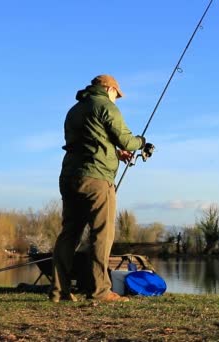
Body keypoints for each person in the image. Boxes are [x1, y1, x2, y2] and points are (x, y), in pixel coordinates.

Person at [50, 75, 147, 302]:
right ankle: (100, 291)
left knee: (69, 234)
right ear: (109, 89)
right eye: (117, 95)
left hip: (70, 177)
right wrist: (141, 142)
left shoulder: (74, 110)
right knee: (101, 234)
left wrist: (114, 152)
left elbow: (88, 142)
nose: (117, 99)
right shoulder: (106, 106)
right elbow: (126, 140)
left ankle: (58, 291)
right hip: (97, 179)